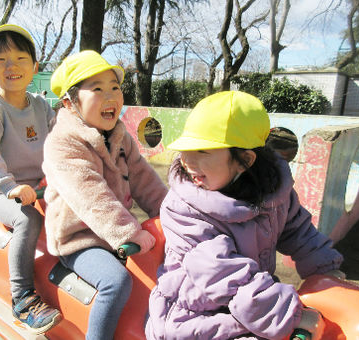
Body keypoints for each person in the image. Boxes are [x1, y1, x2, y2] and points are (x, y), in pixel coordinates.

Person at [146, 91, 344, 340]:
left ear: (246, 160)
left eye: (202, 152)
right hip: (194, 315)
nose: (187, 161)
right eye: (186, 150)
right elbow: (221, 273)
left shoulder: (273, 196)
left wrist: (326, 272)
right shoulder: (184, 208)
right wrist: (289, 316)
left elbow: (299, 232)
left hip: (251, 302)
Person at [42, 50, 168, 340]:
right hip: (79, 239)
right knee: (115, 280)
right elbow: (90, 194)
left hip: (113, 235)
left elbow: (143, 177)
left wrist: (172, 212)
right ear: (69, 103)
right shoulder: (62, 143)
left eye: (115, 87)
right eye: (97, 89)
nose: (110, 96)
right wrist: (127, 232)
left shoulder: (121, 137)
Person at [0, 24, 62, 334]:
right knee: (28, 220)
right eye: (1, 59)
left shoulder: (42, 105)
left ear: (34, 66)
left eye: (20, 58)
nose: (12, 66)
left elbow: (61, 143)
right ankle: (22, 298)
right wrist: (10, 187)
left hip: (39, 185)